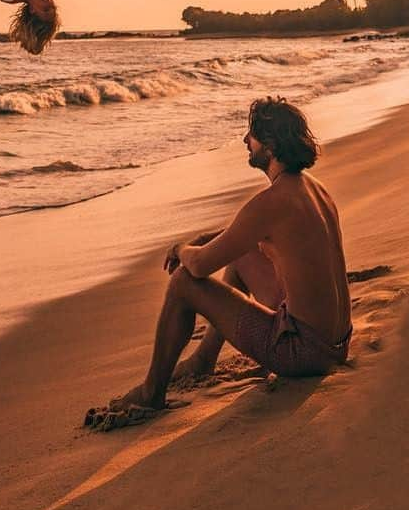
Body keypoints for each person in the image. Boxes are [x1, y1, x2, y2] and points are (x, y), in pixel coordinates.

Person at [103, 96, 352, 416]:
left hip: (302, 354)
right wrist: (211, 239)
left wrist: (180, 248)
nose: (245, 141)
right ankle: (204, 360)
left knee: (182, 282)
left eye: (252, 135)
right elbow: (252, 236)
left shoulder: (271, 202)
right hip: (336, 344)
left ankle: (152, 392)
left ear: (271, 145)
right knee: (238, 254)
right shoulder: (313, 189)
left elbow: (200, 265)